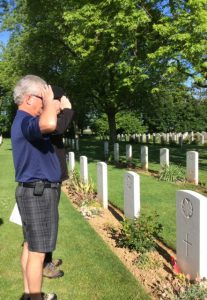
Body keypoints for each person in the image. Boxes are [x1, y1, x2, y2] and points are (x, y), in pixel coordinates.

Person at [11, 75, 61, 300]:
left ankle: (29, 294)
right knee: (38, 253)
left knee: (31, 247)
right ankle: (35, 297)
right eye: (42, 97)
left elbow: (51, 123)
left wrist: (52, 107)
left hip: (33, 190)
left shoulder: (24, 120)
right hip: (38, 192)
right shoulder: (26, 120)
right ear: (30, 98)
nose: (45, 102)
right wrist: (52, 103)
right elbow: (49, 124)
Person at [43, 86, 74, 279]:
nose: (62, 107)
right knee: (47, 224)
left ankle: (47, 259)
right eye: (60, 102)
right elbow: (59, 128)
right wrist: (68, 109)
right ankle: (45, 266)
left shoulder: (48, 121)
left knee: (50, 223)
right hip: (47, 180)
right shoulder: (45, 122)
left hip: (53, 178)